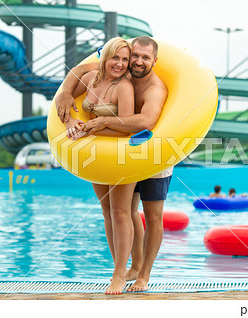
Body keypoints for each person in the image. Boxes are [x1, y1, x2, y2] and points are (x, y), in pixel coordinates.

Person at [56, 36, 169, 292]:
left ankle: (142, 274)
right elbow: (79, 70)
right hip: (108, 150)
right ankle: (133, 267)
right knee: (120, 211)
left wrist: (102, 124)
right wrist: (64, 96)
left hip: (154, 148)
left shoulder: (149, 88)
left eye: (142, 58)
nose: (135, 62)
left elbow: (145, 122)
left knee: (150, 215)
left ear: (154, 60)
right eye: (133, 56)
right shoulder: (104, 75)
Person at [59, 37, 136, 295]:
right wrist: (70, 120)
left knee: (121, 212)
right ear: (105, 57)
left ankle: (119, 276)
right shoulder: (92, 78)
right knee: (107, 212)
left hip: (120, 153)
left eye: (125, 60)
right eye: (116, 57)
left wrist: (94, 129)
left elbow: (126, 126)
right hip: (95, 153)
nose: (120, 64)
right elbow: (66, 100)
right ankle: (119, 269)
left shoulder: (124, 87)